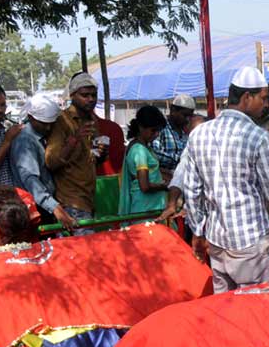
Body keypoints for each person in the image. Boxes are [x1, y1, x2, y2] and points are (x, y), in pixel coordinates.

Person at [173, 67, 269, 292]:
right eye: (263, 98)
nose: (266, 105)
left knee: (226, 309)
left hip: (217, 241)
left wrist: (198, 231)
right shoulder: (258, 137)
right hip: (251, 243)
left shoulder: (199, 134)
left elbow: (192, 190)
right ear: (247, 97)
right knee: (256, 312)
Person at [44, 73, 108, 229]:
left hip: (89, 198)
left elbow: (92, 158)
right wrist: (75, 139)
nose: (91, 99)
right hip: (70, 201)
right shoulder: (62, 121)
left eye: (93, 95)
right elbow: (51, 162)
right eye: (85, 95)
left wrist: (102, 152)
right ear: (72, 95)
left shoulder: (91, 120)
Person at [10, 92, 78, 230]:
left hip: (45, 205)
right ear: (31, 117)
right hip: (34, 208)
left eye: (51, 124)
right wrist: (55, 208)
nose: (48, 128)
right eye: (43, 124)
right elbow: (30, 179)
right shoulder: (25, 141)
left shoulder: (42, 136)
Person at [119, 106, 169, 216]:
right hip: (146, 208)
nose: (156, 134)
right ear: (141, 127)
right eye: (153, 130)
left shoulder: (142, 147)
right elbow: (145, 186)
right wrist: (165, 186)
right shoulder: (139, 150)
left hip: (147, 206)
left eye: (158, 131)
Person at [151, 94, 194, 180]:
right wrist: (180, 159)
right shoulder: (161, 128)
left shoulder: (185, 132)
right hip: (164, 180)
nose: (187, 119)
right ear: (173, 110)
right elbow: (154, 153)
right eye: (185, 115)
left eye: (190, 116)